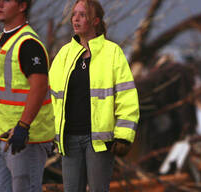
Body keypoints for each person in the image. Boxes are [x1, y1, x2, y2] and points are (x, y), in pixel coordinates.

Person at [49, 0, 140, 191]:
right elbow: (50, 97)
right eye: (74, 14)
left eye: (82, 15)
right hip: (69, 140)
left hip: (99, 142)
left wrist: (124, 136)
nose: (76, 19)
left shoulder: (112, 53)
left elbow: (127, 97)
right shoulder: (64, 54)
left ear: (95, 20)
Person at [0, 0, 54, 191]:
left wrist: (23, 126)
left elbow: (39, 86)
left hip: (25, 140)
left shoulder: (28, 44)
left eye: (7, 0)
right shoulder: (1, 40)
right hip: (2, 138)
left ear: (22, 6)